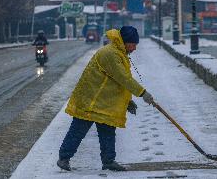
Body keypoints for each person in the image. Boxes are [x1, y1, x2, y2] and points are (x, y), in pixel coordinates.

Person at [57, 26, 154, 172]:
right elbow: (123, 78)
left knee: (108, 131)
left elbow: (117, 81)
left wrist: (128, 101)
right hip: (91, 99)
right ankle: (64, 158)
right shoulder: (110, 53)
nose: (134, 48)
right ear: (125, 41)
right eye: (133, 45)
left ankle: (108, 161)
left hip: (103, 101)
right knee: (78, 130)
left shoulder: (119, 52)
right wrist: (143, 93)